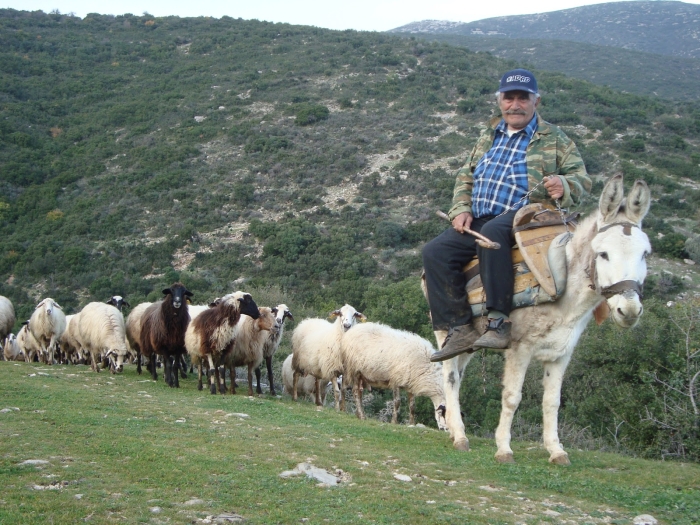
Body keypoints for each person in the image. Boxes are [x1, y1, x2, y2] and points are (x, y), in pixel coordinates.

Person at [425, 68, 591, 362]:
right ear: (500, 101)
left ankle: (499, 322)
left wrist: (564, 184)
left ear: (535, 102)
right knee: (435, 252)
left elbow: (582, 180)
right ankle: (460, 327)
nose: (515, 104)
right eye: (509, 98)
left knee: (493, 235)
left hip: (526, 217)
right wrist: (461, 209)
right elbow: (466, 176)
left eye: (522, 98)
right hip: (480, 216)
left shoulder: (554, 138)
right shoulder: (489, 134)